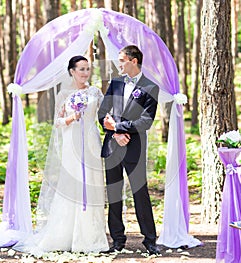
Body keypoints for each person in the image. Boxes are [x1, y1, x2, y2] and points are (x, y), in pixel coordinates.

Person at [13, 55, 109, 256]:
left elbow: (103, 117)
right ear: (72, 71)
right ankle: (64, 234)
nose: (85, 73)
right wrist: (71, 118)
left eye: (87, 69)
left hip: (91, 142)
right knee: (71, 184)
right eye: (81, 69)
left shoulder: (95, 92)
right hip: (71, 144)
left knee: (91, 183)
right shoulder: (64, 93)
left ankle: (89, 236)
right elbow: (57, 122)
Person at [98, 45, 160, 255]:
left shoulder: (150, 87)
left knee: (140, 193)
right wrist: (115, 133)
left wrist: (120, 128)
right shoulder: (115, 83)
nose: (119, 64)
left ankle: (150, 241)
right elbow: (102, 113)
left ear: (134, 61)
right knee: (114, 194)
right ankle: (117, 240)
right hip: (112, 145)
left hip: (135, 148)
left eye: (122, 60)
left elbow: (146, 121)